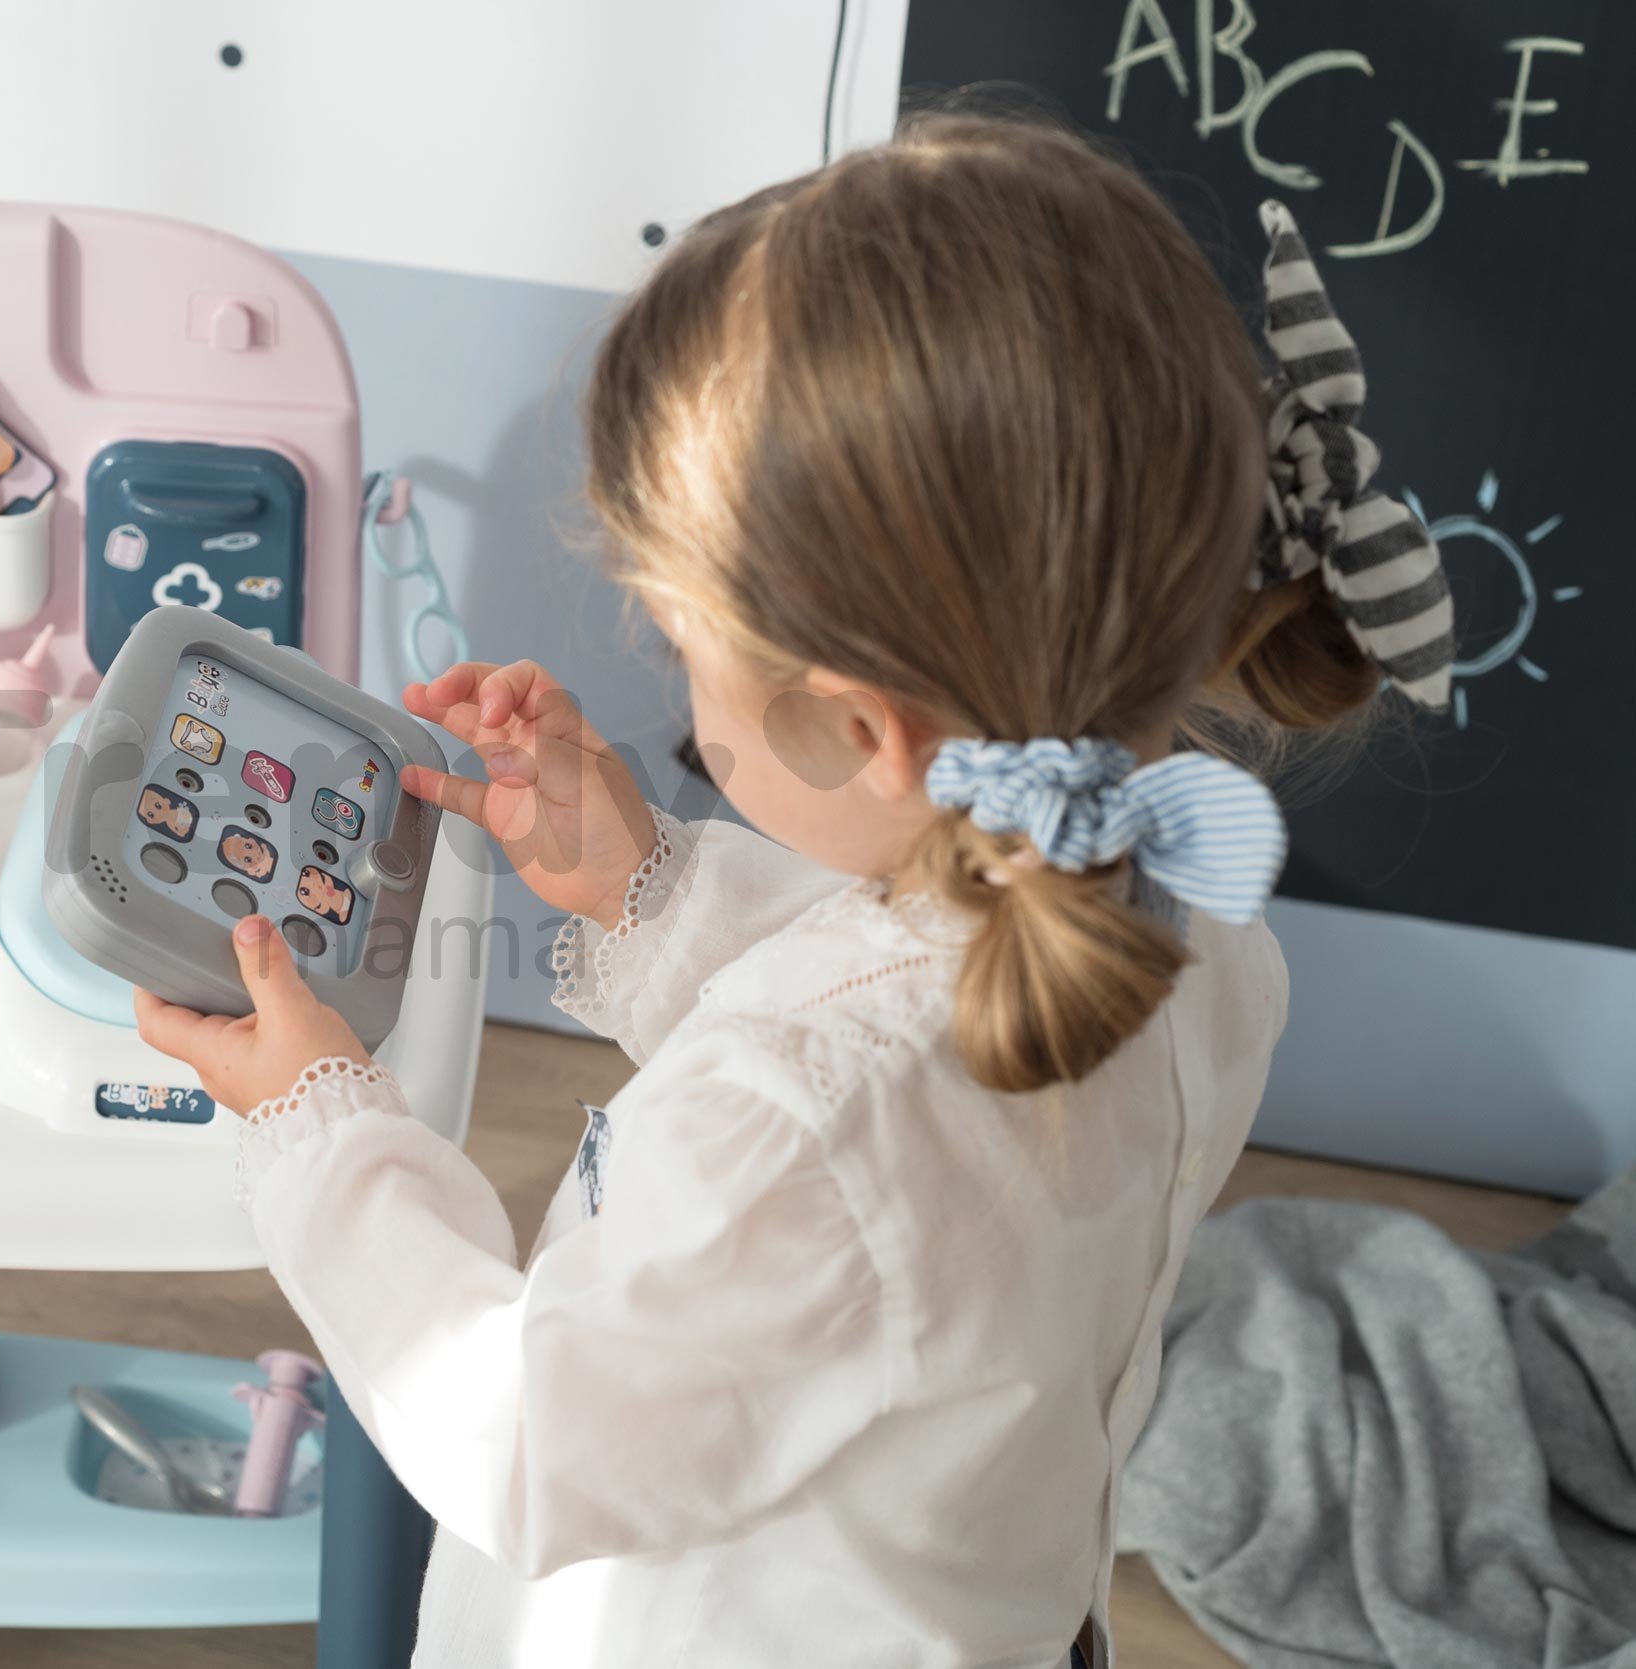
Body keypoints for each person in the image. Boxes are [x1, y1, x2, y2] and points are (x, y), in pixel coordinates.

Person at [137, 112, 1453, 1668]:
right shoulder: (1192, 913)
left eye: (686, 648)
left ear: (863, 730)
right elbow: (895, 1032)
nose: (681, 693)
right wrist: (641, 888)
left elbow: (525, 1437)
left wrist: (320, 1126)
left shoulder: (797, 1122)